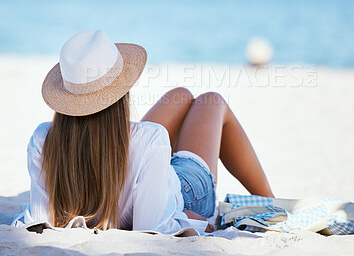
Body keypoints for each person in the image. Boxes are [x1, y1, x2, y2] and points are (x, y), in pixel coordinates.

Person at [17, 30, 274, 234]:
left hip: (129, 176)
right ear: (121, 93)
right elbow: (151, 230)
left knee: (180, 96)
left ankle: (270, 201)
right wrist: (191, 222)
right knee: (212, 100)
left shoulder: (43, 138)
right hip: (185, 193)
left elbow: (40, 219)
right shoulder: (151, 138)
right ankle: (271, 202)